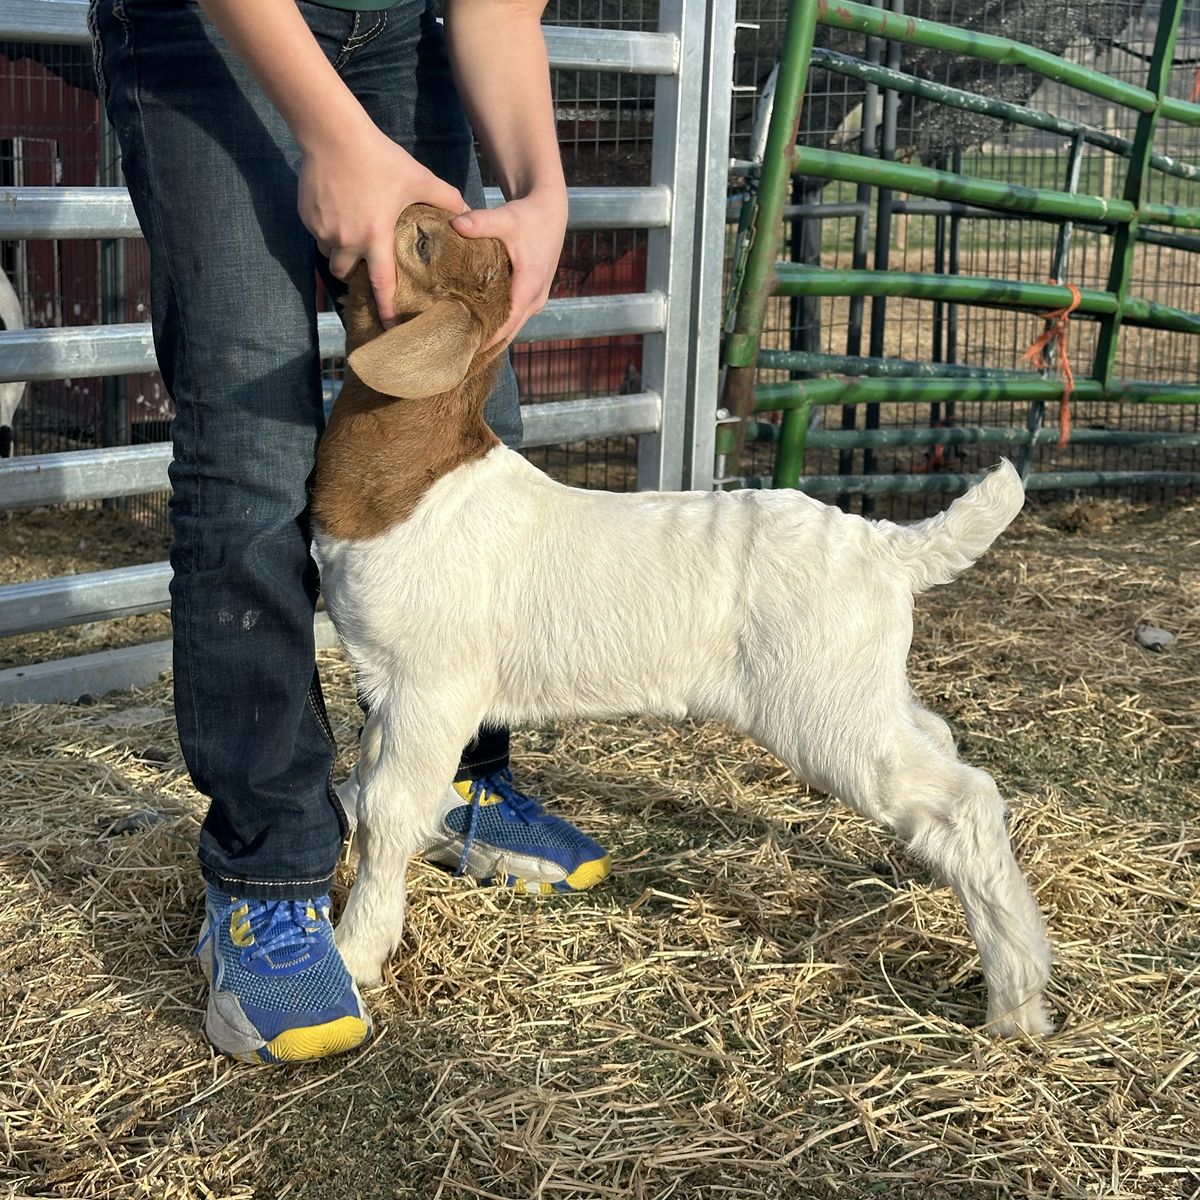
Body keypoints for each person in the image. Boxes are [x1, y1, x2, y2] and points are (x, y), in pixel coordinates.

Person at [90, 0, 610, 1065]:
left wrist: (544, 196)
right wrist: (331, 136)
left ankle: (450, 771)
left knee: (468, 404)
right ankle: (269, 871)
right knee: (253, 442)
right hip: (219, 25)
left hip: (404, 29)